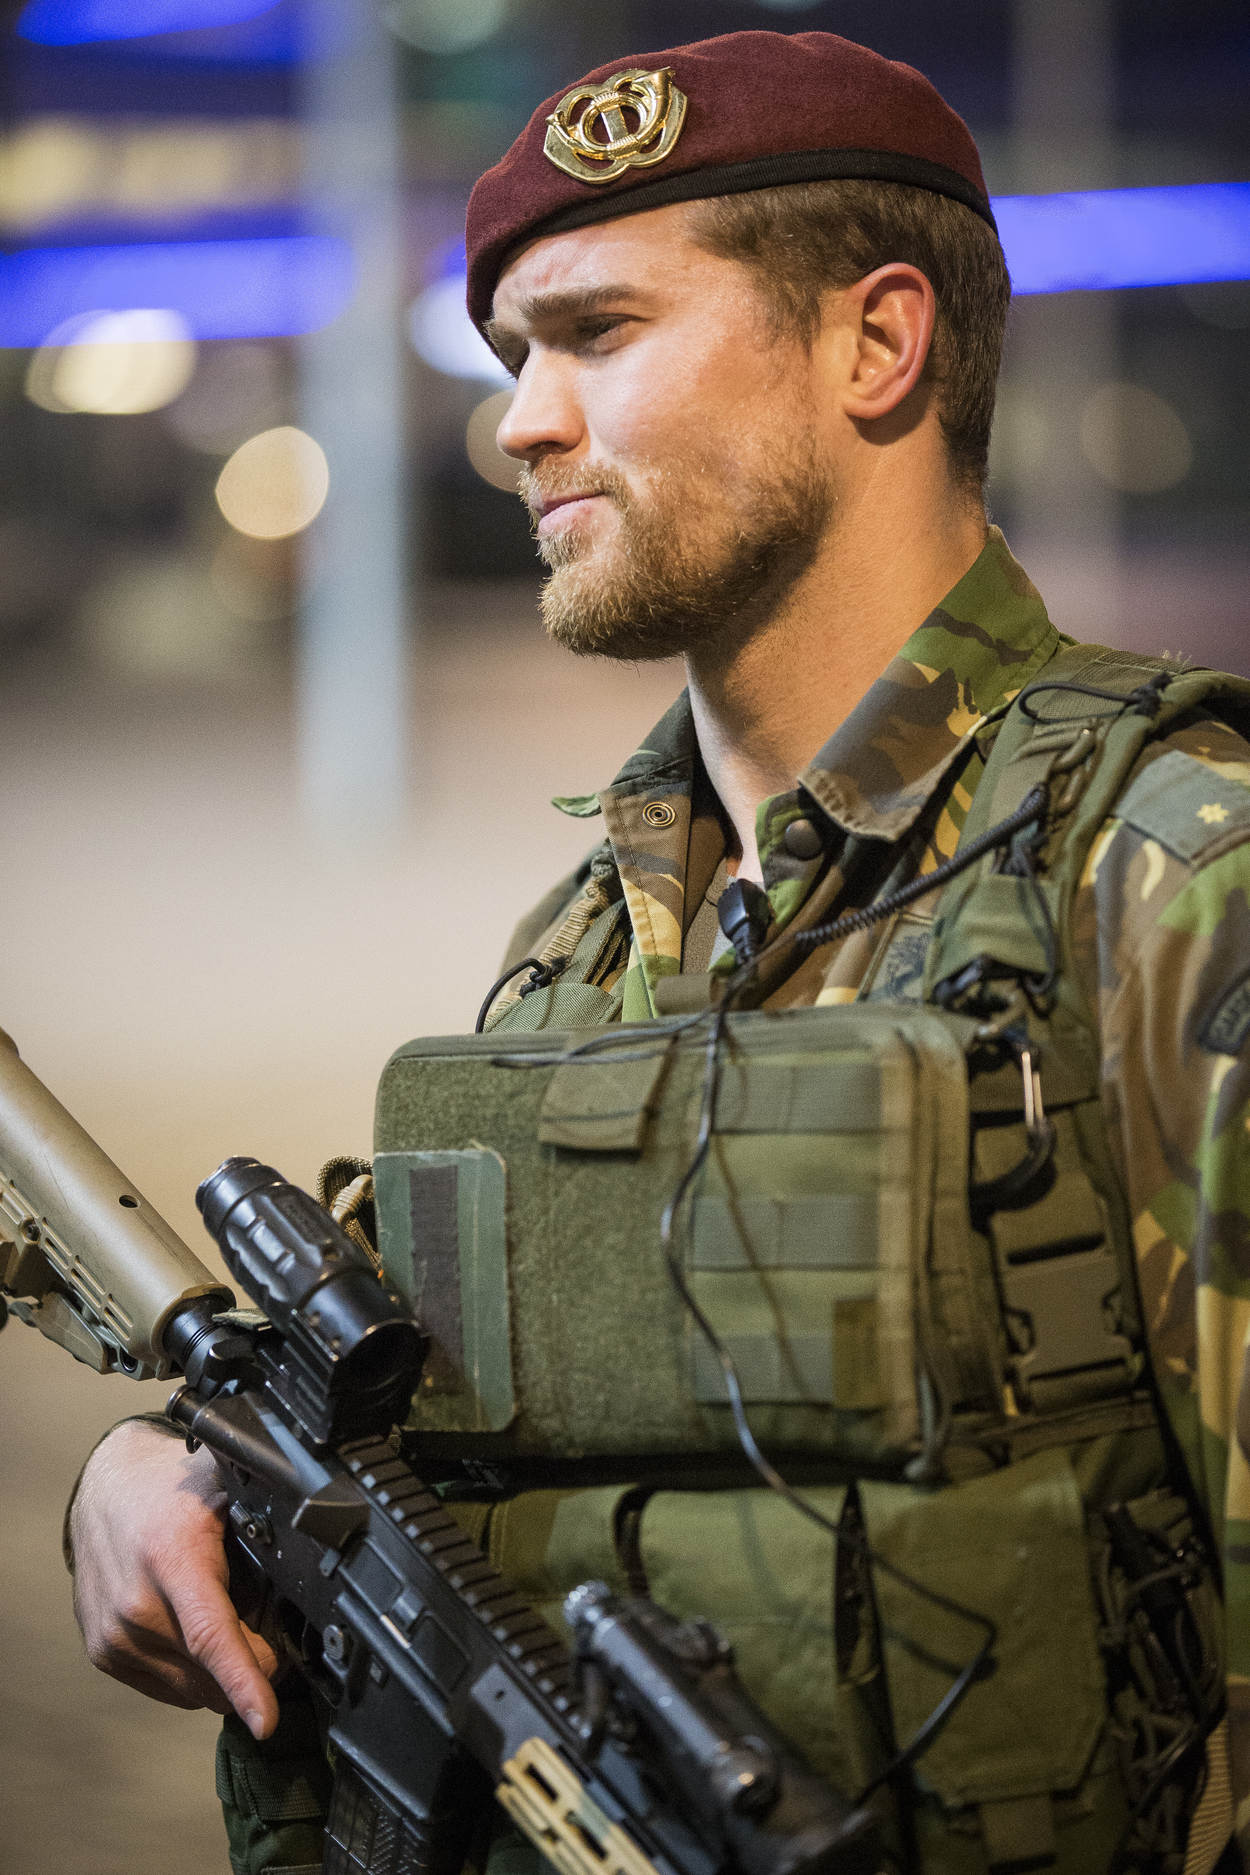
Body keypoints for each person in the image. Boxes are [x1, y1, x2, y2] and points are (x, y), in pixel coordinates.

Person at [66, 29, 1250, 1875]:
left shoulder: (1165, 868)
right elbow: (454, 1464)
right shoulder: (584, 944)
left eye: (598, 334)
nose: (522, 421)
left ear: (876, 345)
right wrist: (151, 1476)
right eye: (511, 356)